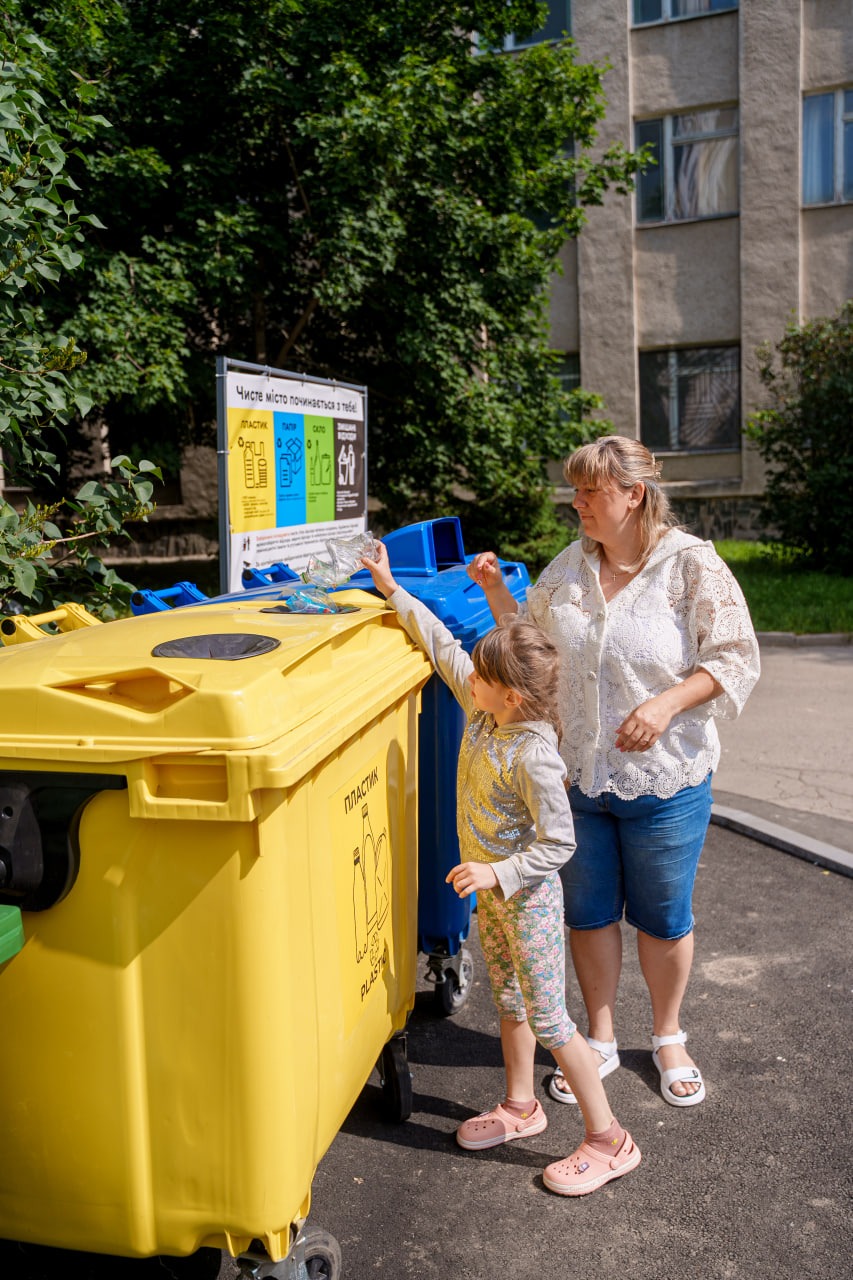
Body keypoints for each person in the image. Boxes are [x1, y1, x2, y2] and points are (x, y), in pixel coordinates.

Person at [467, 435, 760, 1108]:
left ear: (634, 495)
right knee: (589, 914)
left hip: (667, 779)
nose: (577, 505)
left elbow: (734, 655)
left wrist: (666, 703)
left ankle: (666, 1037)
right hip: (576, 779)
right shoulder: (567, 567)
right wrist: (491, 593)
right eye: (575, 491)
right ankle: (598, 1039)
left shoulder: (690, 566)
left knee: (661, 918)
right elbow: (530, 646)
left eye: (590, 492)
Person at [361, 541, 642, 1196]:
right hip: (492, 898)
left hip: (527, 899)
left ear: (510, 695)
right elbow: (441, 647)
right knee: (509, 1002)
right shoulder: (487, 713)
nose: (469, 679)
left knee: (550, 1021)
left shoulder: (533, 756)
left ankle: (609, 1139)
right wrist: (388, 586)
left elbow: (558, 844)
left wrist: (497, 874)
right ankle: (521, 1107)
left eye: (481, 678)